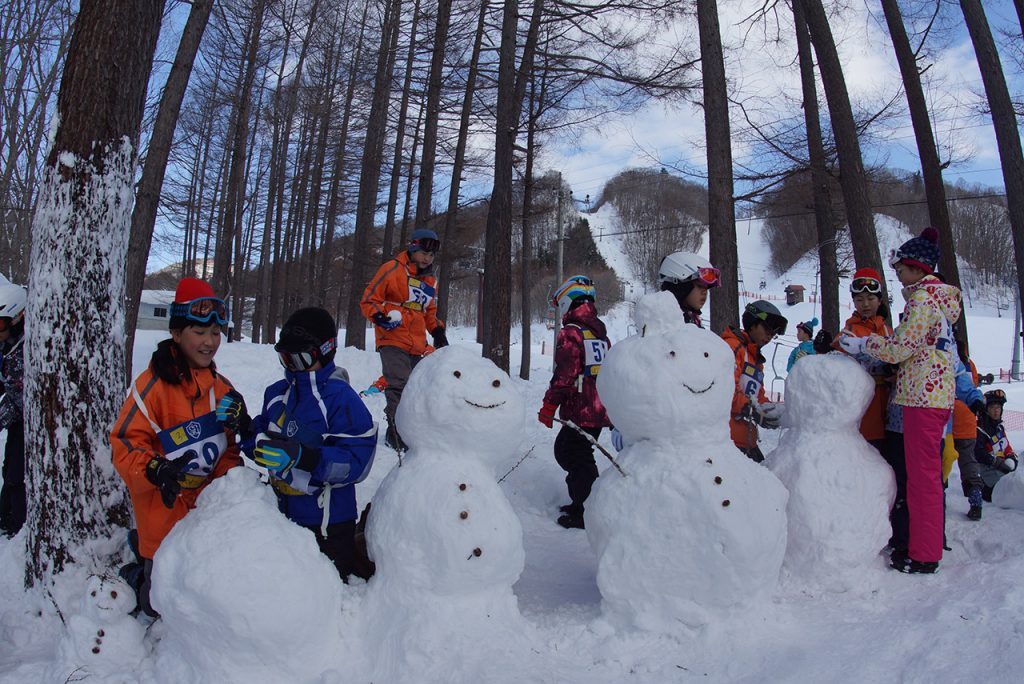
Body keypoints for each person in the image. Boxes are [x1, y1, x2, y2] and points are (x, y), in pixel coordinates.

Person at [111, 278, 242, 616]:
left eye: (215, 333)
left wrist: (233, 482)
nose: (210, 342)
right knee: (158, 605)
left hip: (204, 516)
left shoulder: (222, 389)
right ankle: (137, 568)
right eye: (199, 332)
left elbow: (228, 451)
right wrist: (154, 469)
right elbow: (126, 444)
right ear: (177, 333)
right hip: (162, 512)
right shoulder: (151, 386)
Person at [223, 307, 377, 580]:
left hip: (327, 525)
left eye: (301, 358)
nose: (293, 367)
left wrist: (306, 458)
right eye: (285, 358)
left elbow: (357, 463)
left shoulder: (342, 400)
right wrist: (245, 425)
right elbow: (263, 446)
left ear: (326, 351)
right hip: (281, 519)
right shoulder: (276, 394)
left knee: (329, 596)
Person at [840, 227, 960, 574]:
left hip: (923, 397)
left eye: (901, 271)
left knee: (922, 479)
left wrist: (864, 345)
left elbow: (899, 348)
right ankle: (926, 546)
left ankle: (923, 554)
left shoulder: (922, 301)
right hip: (929, 395)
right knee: (924, 476)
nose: (899, 277)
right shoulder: (935, 301)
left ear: (918, 269)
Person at [361, 228, 447, 451]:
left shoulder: (430, 280)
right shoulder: (391, 269)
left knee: (417, 387)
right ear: (413, 248)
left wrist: (438, 333)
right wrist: (380, 317)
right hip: (392, 338)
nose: (427, 258)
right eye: (423, 253)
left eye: (431, 255)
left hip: (417, 342)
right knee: (399, 384)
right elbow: (369, 299)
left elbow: (429, 311)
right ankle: (395, 433)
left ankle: (415, 430)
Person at [538, 276, 611, 530]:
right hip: (597, 409)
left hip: (583, 409)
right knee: (574, 452)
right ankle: (582, 504)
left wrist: (548, 406)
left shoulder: (572, 333)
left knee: (572, 453)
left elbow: (564, 375)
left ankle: (587, 511)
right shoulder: (598, 332)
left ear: (568, 302)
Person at [833, 268, 894, 451]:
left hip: (889, 405)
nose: (865, 304)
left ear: (879, 300)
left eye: (870, 299)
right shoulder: (850, 330)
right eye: (859, 300)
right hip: (866, 407)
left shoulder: (888, 331)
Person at [722, 301, 787, 463]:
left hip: (747, 441)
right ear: (752, 324)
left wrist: (773, 413)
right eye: (767, 330)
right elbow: (725, 389)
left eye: (773, 334)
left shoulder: (756, 360)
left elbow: (759, 398)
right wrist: (753, 410)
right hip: (726, 440)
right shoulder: (732, 347)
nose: (769, 337)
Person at [0, 283, 27, 537]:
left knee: (16, 475)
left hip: (28, 424)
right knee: (8, 467)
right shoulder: (8, 347)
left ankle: (18, 528)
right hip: (15, 421)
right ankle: (5, 518)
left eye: (0, 323)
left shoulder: (27, 349)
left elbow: (21, 396)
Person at [975, 389, 1017, 507]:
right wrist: (996, 462)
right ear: (986, 409)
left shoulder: (999, 428)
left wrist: (1011, 458)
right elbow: (978, 454)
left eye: (998, 407)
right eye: (992, 407)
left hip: (1002, 471)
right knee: (1012, 489)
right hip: (987, 476)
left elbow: (1006, 447)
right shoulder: (979, 430)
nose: (996, 410)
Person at [657, 251, 720, 328]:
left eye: (706, 288)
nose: (704, 292)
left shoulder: (692, 320)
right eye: (699, 286)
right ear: (681, 288)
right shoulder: (665, 327)